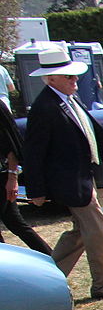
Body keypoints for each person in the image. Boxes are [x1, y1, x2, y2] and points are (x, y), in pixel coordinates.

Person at [23, 44, 103, 299]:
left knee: (79, 234)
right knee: (96, 231)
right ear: (51, 79)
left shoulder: (68, 100)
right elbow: (33, 153)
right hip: (70, 182)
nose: (75, 80)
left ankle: (44, 280)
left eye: (74, 74)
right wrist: (35, 190)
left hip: (83, 178)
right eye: (68, 76)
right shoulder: (44, 107)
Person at [0, 97, 52, 255]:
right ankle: (52, 258)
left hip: (2, 175)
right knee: (15, 223)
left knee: (16, 224)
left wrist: (12, 178)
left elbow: (11, 146)